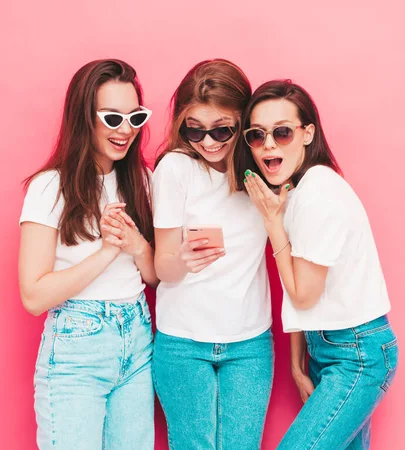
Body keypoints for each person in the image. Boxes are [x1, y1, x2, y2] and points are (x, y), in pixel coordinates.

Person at [235, 79, 398, 449]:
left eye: (282, 132)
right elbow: (300, 291)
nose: (269, 145)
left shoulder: (318, 194)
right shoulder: (298, 191)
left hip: (357, 353)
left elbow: (304, 295)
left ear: (308, 133)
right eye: (257, 136)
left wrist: (272, 224)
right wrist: (297, 363)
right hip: (332, 348)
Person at [18, 59, 157, 449]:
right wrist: (107, 251)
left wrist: (136, 246)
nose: (126, 130)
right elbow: (33, 295)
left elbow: (154, 277)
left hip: (138, 337)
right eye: (113, 118)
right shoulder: (50, 187)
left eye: (135, 117)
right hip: (77, 346)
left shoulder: (142, 181)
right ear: (84, 118)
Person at [151, 59, 273, 450]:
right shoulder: (175, 169)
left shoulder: (264, 172)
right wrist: (181, 260)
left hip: (250, 344)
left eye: (223, 129)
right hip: (183, 343)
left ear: (244, 122)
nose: (208, 142)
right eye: (195, 129)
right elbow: (161, 268)